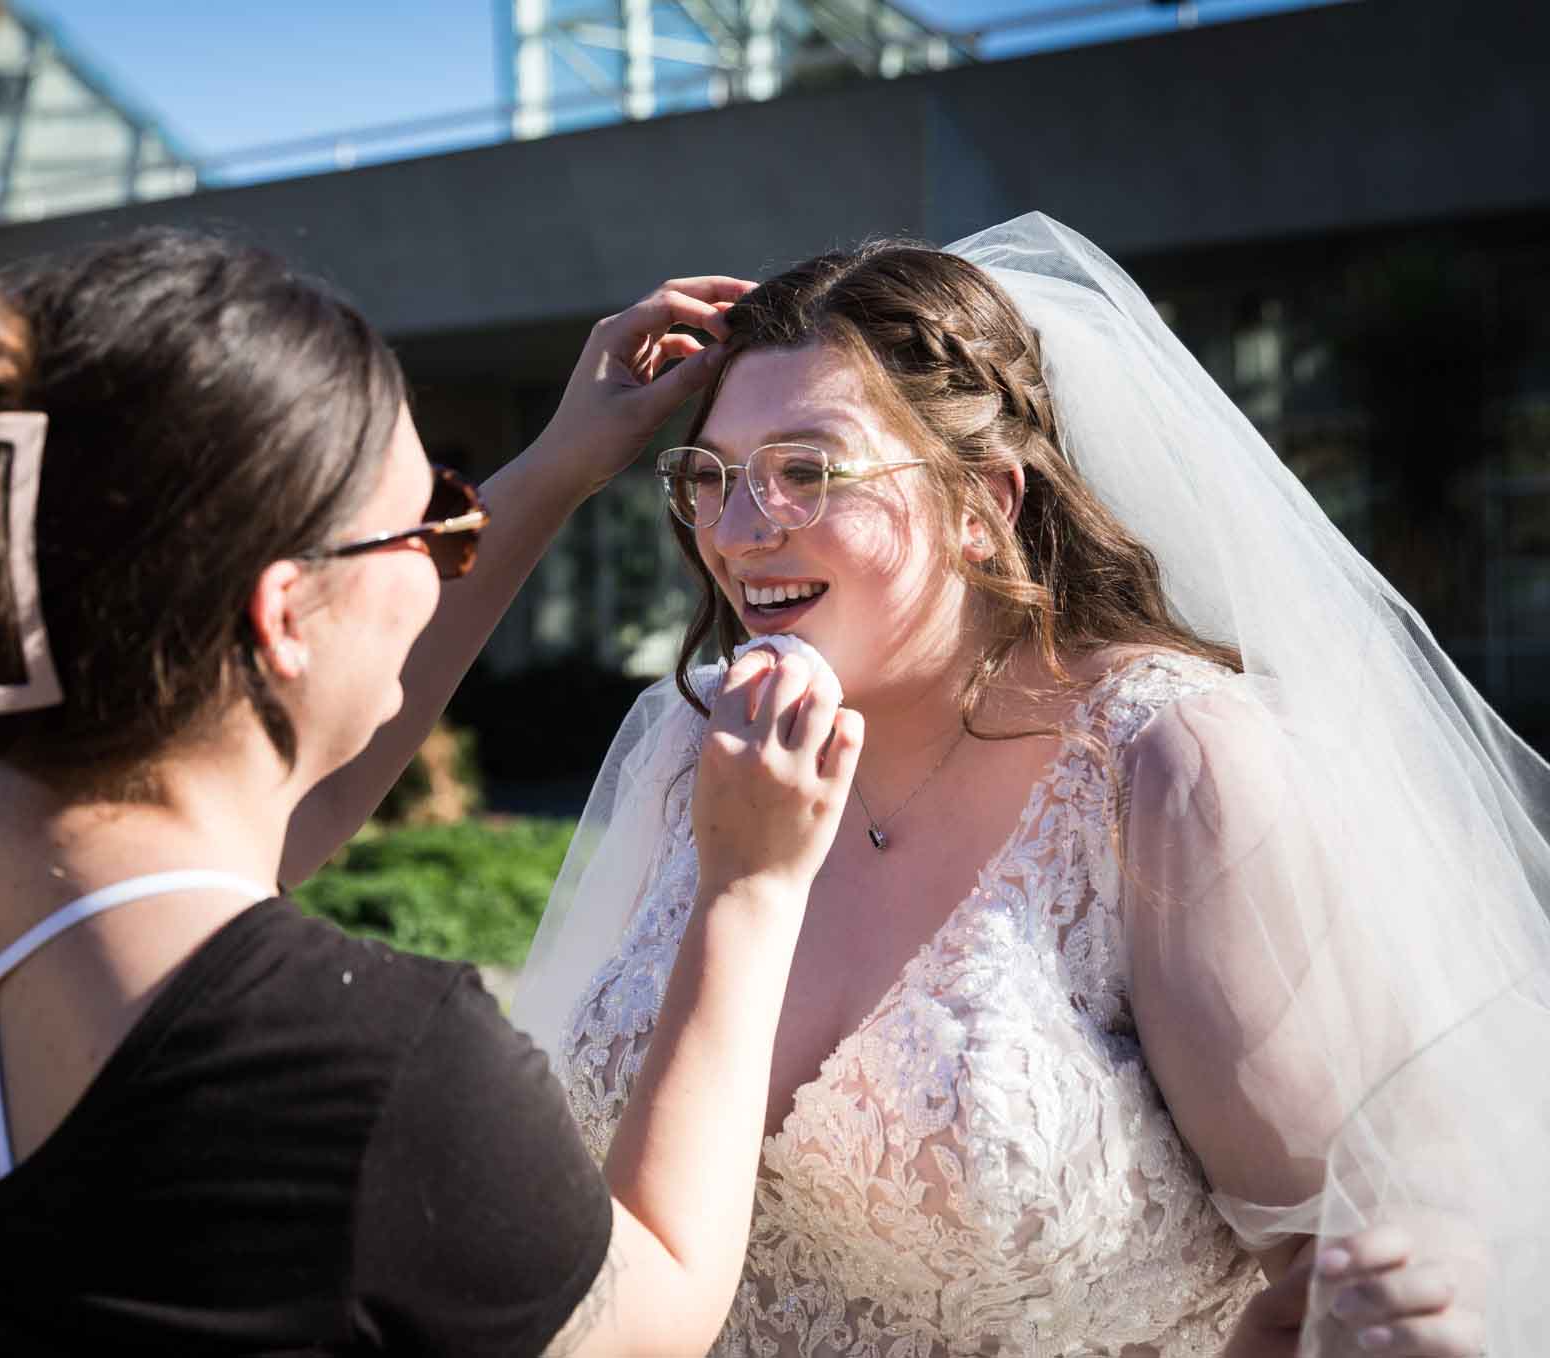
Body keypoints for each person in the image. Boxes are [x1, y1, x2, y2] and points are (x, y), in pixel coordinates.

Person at [0, 228, 869, 1355]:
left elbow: (279, 814)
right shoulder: (372, 1069)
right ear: (279, 612)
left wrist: (553, 465)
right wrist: (745, 886)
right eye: (434, 525)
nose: (454, 551)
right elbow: (658, 1305)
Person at [513, 213, 1550, 1357]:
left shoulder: (1160, 765)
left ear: (982, 504)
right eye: (709, 476)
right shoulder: (690, 734)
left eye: (806, 471)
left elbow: (1334, 1263)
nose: (739, 531)